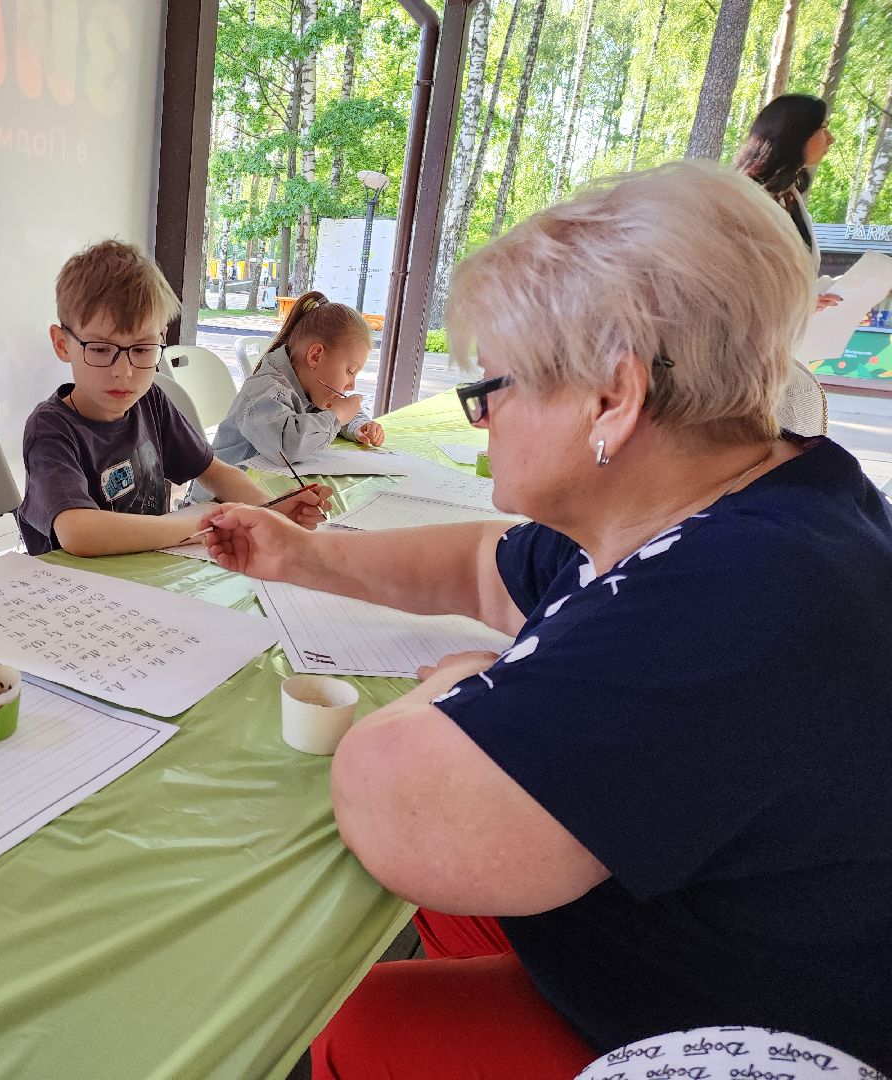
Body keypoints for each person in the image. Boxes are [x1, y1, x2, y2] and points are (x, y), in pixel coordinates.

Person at [199, 162, 892, 1076]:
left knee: (347, 1025)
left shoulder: (743, 592)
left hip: (737, 1035)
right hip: (683, 919)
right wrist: (305, 557)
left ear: (615, 396)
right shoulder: (729, 493)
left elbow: (392, 797)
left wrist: (458, 689)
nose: (482, 420)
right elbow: (485, 566)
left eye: (495, 388)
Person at [15, 239, 330, 557]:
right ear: (62, 344)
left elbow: (215, 471)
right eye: (100, 349)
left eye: (141, 349)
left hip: (146, 572)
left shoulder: (150, 400)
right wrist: (201, 526)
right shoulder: (51, 428)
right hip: (73, 591)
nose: (123, 372)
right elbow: (79, 533)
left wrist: (271, 511)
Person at [211, 290, 384, 467]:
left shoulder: (310, 386)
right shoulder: (265, 391)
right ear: (315, 356)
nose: (351, 385)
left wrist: (358, 425)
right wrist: (337, 416)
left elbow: (331, 412)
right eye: (350, 371)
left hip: (262, 487)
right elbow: (287, 447)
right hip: (220, 494)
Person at [734, 93, 842, 310]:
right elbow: (735, 284)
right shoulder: (741, 200)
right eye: (823, 127)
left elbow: (797, 279)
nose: (831, 138)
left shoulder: (789, 195)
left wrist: (848, 290)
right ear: (796, 134)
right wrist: (797, 306)